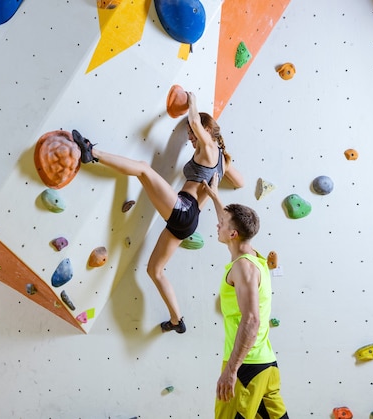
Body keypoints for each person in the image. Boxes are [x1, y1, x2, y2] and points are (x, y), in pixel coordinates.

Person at [72, 92, 244, 334]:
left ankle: (92, 153)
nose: (191, 140)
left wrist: (192, 103)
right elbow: (241, 182)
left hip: (184, 210)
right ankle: (177, 321)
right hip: (188, 220)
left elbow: (195, 122)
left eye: (192, 136)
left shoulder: (210, 150)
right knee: (154, 270)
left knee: (144, 170)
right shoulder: (223, 160)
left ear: (205, 130)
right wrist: (221, 179)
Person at [202, 173, 289, 419]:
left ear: (233, 234)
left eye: (223, 224)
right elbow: (228, 221)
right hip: (266, 365)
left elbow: (251, 320)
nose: (218, 225)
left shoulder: (243, 267)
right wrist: (215, 196)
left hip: (245, 367)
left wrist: (231, 370)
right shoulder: (255, 258)